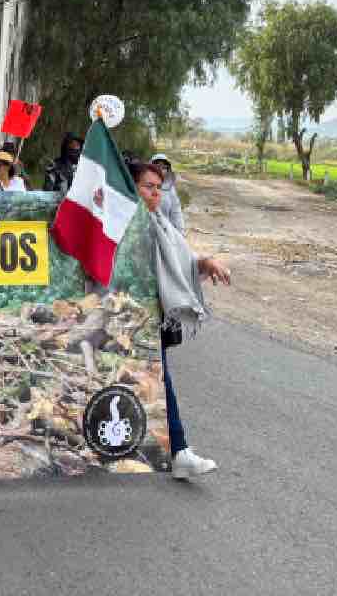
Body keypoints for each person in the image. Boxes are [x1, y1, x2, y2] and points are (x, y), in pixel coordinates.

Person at [129, 160, 230, 480]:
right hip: (119, 319)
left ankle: (179, 451)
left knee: (160, 381)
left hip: (150, 321)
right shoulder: (121, 222)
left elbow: (182, 258)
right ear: (131, 187)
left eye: (158, 188)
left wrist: (206, 262)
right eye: (148, 186)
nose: (155, 193)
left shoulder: (161, 223)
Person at [150, 153, 186, 234]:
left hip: (166, 232)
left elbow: (176, 212)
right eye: (157, 166)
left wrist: (181, 233)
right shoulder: (143, 186)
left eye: (164, 168)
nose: (160, 170)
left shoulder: (170, 190)